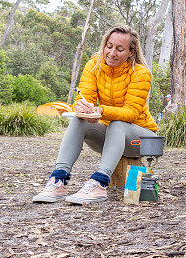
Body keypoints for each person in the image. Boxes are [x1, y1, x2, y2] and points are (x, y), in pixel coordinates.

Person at [33, 25, 158, 205]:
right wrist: (82, 107)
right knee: (79, 120)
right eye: (109, 46)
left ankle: (99, 183)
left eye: (120, 49)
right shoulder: (94, 65)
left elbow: (131, 113)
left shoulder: (141, 73)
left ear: (131, 52)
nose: (112, 53)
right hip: (111, 137)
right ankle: (58, 180)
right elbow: (84, 97)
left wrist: (101, 110)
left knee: (118, 123)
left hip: (142, 141)